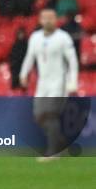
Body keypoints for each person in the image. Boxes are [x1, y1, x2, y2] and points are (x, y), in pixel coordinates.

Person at [20, 9, 79, 161]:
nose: (48, 21)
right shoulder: (35, 37)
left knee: (51, 114)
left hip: (59, 82)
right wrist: (23, 74)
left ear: (56, 20)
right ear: (40, 20)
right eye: (45, 18)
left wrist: (73, 82)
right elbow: (29, 57)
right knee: (39, 115)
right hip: (43, 83)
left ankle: (53, 152)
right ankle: (61, 142)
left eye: (51, 18)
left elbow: (72, 61)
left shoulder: (63, 38)